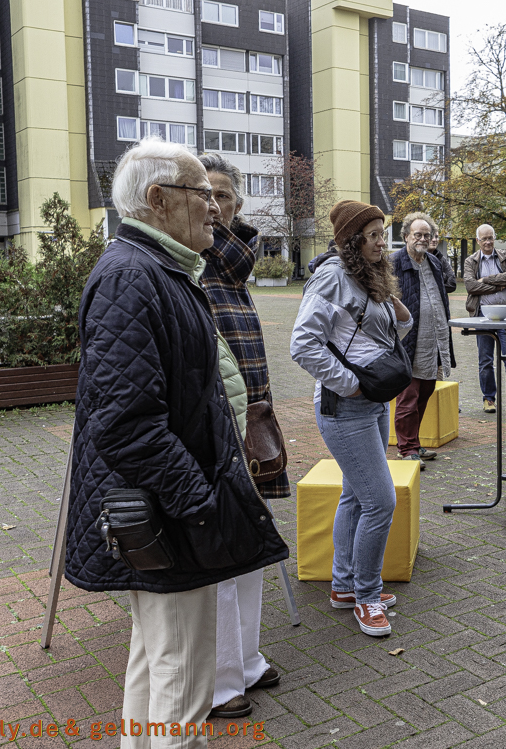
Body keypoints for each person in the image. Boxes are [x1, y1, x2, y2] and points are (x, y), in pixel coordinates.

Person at [67, 138, 288, 749]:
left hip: (171, 511)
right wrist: (201, 502)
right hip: (172, 517)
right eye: (201, 194)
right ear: (157, 200)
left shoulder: (159, 270)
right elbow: (124, 424)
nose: (215, 209)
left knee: (160, 661)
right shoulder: (132, 278)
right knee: (182, 681)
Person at [290, 200, 411, 636]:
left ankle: (343, 585)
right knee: (381, 501)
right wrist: (350, 384)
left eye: (383, 232)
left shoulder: (369, 277)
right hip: (346, 408)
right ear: (352, 240)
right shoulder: (332, 276)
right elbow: (303, 344)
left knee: (356, 496)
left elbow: (386, 334)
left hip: (374, 402)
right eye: (375, 235)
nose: (383, 241)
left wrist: (396, 308)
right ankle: (366, 596)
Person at [198, 154, 286, 719]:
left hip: (251, 421)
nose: (214, 204)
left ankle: (246, 659)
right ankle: (220, 679)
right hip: (214, 428)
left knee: (250, 541)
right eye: (203, 193)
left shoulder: (232, 268)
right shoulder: (192, 267)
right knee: (220, 552)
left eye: (224, 194)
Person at [391, 212, 455, 468]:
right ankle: (406, 449)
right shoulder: (394, 262)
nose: (423, 239)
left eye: (427, 235)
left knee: (425, 393)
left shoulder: (434, 262)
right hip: (408, 340)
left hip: (434, 339)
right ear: (406, 236)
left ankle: (414, 443)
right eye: (417, 234)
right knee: (408, 396)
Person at [463, 223, 506, 414]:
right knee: (485, 360)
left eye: (490, 237)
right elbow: (470, 286)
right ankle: (488, 399)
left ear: (494, 238)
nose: (488, 242)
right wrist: (499, 285)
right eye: (484, 239)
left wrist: (485, 280)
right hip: (482, 317)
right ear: (477, 241)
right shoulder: (471, 261)